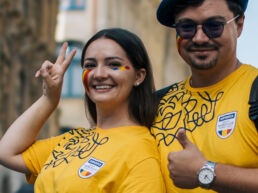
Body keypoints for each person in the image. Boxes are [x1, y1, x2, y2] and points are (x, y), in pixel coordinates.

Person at [0, 28, 165, 193]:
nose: (98, 74)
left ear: (139, 76)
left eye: (113, 64)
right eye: (90, 65)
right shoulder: (72, 140)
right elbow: (6, 152)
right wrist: (49, 99)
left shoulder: (140, 155)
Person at [151, 0, 258, 193]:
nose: (199, 38)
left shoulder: (254, 89)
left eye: (214, 26)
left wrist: (205, 171)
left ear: (239, 25)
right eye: (187, 27)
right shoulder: (153, 104)